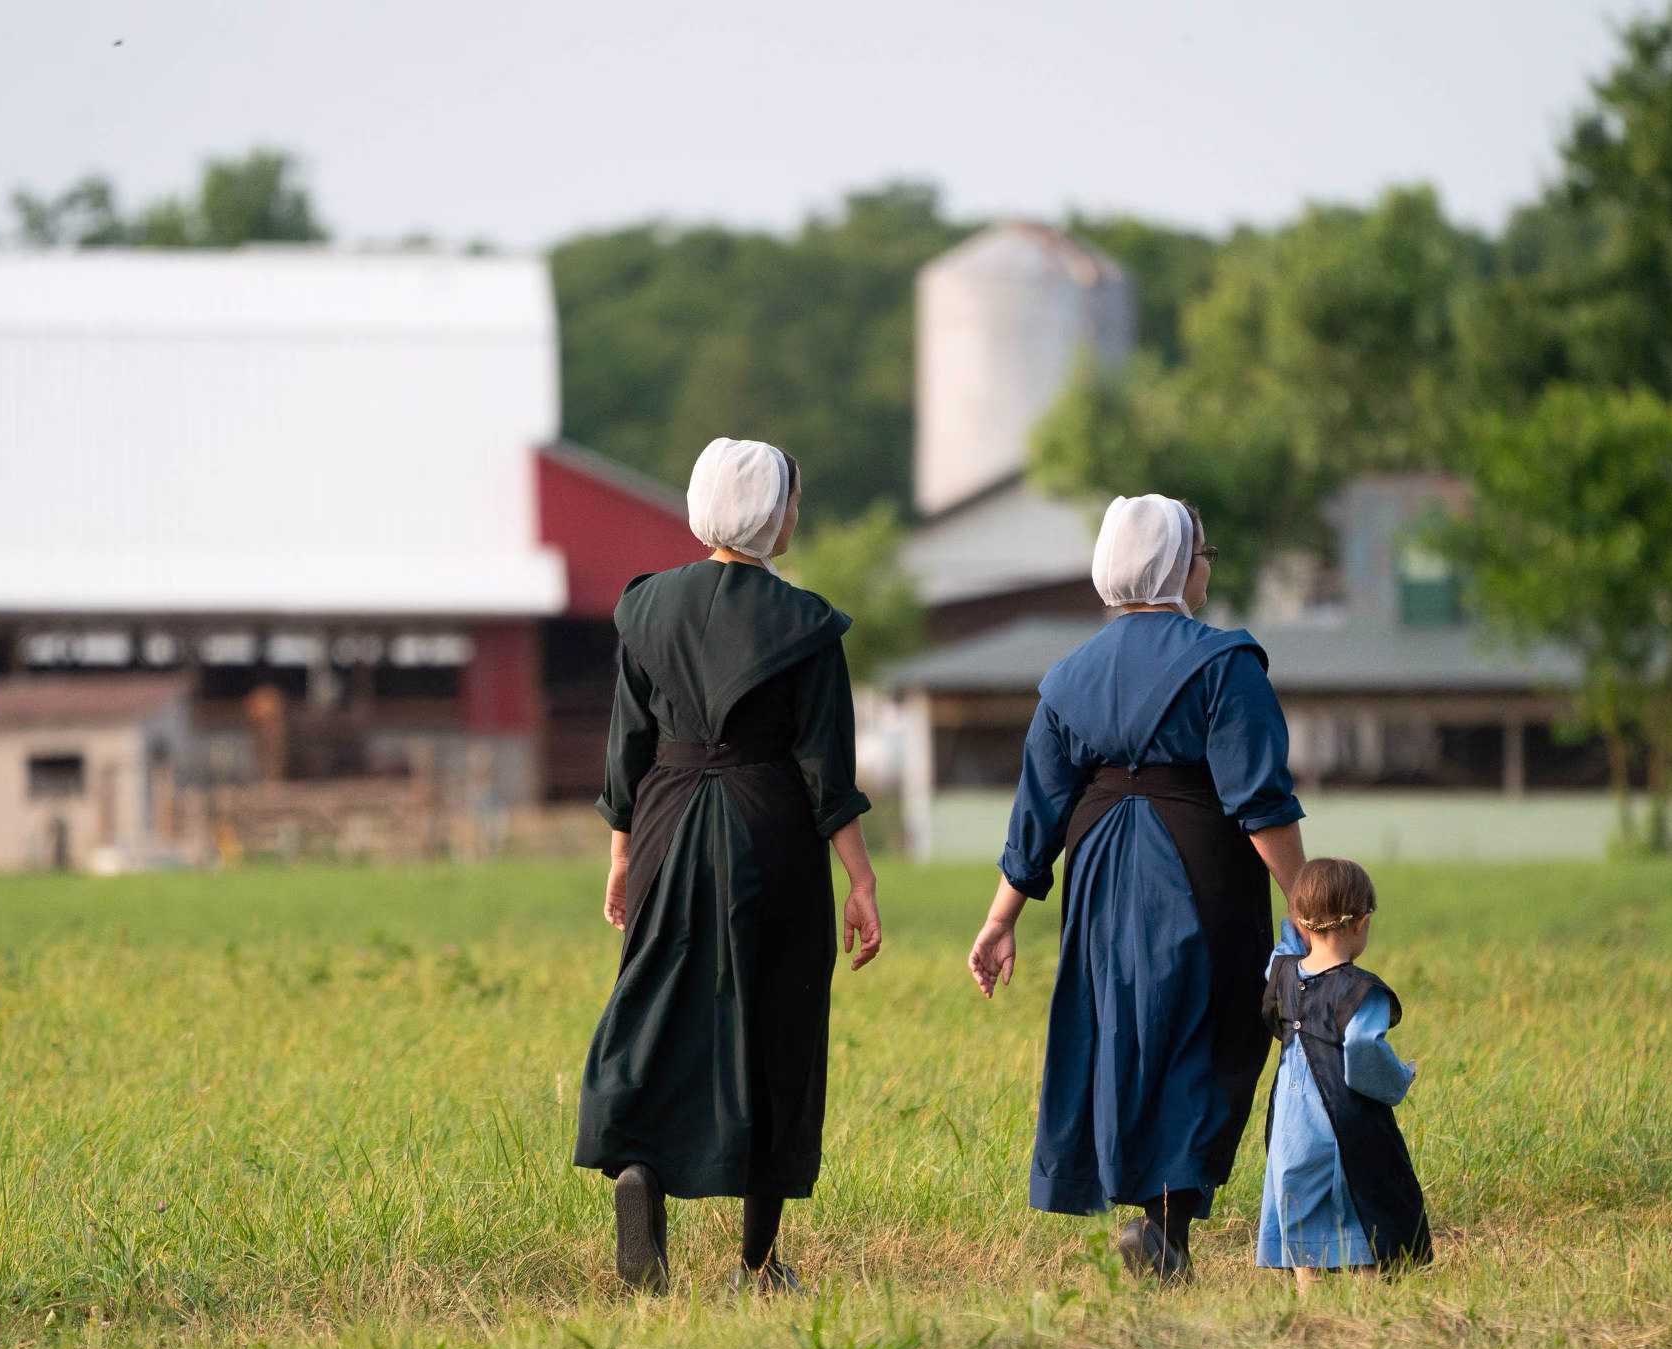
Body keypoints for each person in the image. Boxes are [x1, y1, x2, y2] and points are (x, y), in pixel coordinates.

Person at [967, 494, 1306, 1282]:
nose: (1207, 566)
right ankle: (1163, 1227)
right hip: (1196, 864)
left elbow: (1038, 810)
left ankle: (1151, 1223)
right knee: (1210, 1028)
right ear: (1180, 566)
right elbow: (1257, 798)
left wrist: (999, 919)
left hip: (1095, 868)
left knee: (1120, 1025)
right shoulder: (1224, 662)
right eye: (1203, 552)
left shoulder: (1066, 676)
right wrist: (1305, 899)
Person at [575, 436, 883, 1296]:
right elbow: (828, 770)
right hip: (769, 827)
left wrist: (621, 855)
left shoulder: (645, 608)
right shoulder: (808, 624)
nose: (796, 514)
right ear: (769, 512)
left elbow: (625, 747)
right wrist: (859, 880)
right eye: (792, 499)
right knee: (775, 1024)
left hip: (667, 821)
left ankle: (637, 1163)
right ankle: (758, 1261)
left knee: (656, 1002)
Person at [1257, 857, 1432, 1292]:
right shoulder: (1360, 992)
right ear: (1362, 923)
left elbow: (1281, 952)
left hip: (1289, 1125)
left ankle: (1308, 1295)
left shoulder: (1281, 973)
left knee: (1297, 1199)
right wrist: (1399, 1079)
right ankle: (1369, 1299)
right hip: (1337, 1122)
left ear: (1302, 923)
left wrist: (1290, 931)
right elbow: (1360, 1048)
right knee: (1361, 1207)